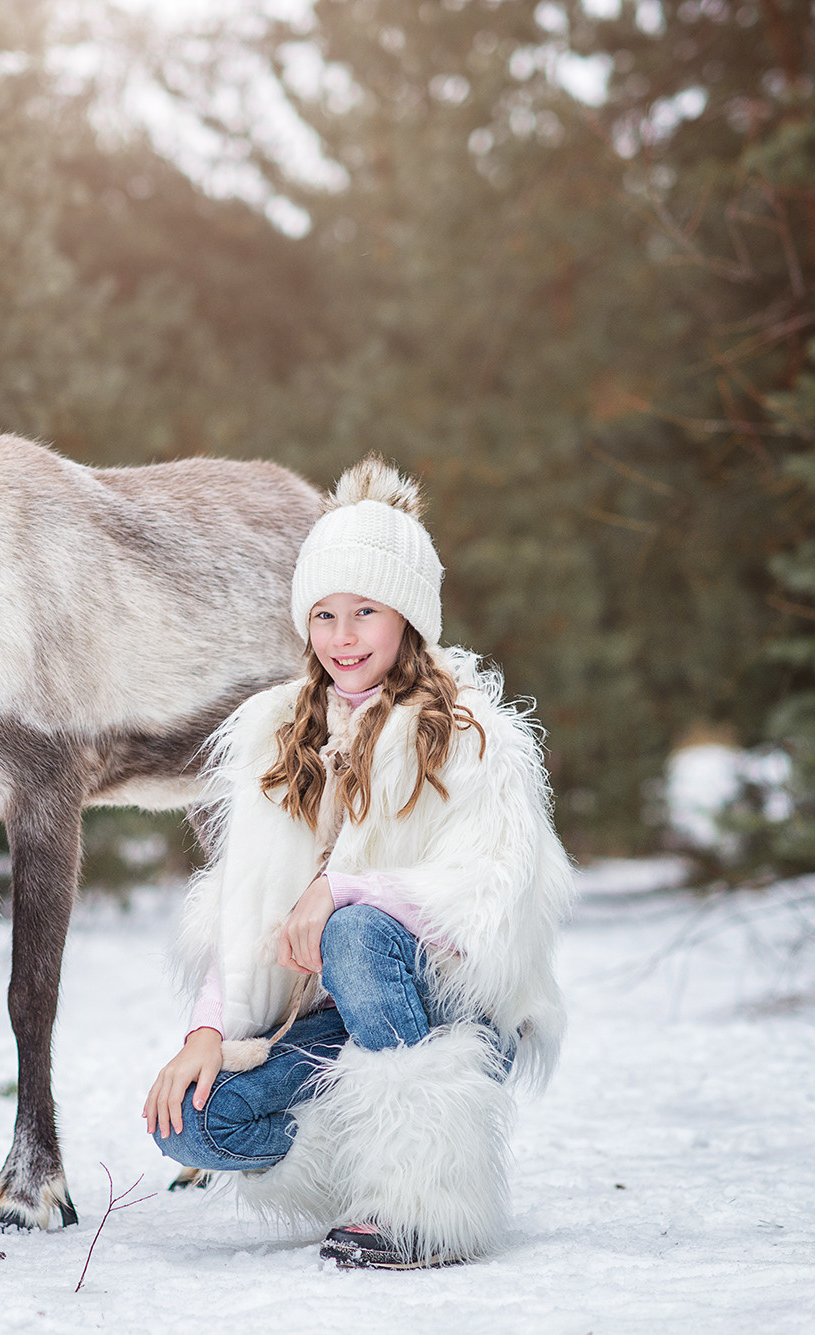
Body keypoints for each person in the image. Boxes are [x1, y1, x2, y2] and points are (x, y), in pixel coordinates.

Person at [142, 456, 573, 1270]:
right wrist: (206, 1031)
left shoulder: (473, 734)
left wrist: (342, 885)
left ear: (408, 618)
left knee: (355, 930)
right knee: (192, 1120)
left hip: (451, 1009)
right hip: (336, 1020)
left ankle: (424, 1203)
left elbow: (487, 897)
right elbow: (245, 904)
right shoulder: (280, 735)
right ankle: (371, 1177)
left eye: (366, 611)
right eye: (325, 614)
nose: (343, 637)